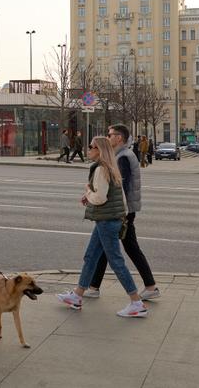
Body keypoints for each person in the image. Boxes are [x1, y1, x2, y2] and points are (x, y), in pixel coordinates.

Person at [57, 136, 148, 318]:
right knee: (91, 256)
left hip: (106, 221)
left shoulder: (100, 169)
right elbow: (120, 197)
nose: (88, 150)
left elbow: (100, 198)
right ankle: (77, 295)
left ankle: (136, 302)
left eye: (91, 147)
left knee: (116, 261)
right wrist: (90, 194)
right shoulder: (111, 168)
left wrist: (88, 192)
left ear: (99, 150)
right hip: (108, 220)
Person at [85, 124, 159, 301]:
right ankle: (94, 286)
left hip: (122, 211)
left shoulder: (122, 157)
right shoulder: (120, 155)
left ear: (119, 138)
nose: (108, 137)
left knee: (125, 249)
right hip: (123, 210)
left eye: (110, 135)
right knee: (105, 247)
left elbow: (120, 187)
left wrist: (116, 211)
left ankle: (149, 286)